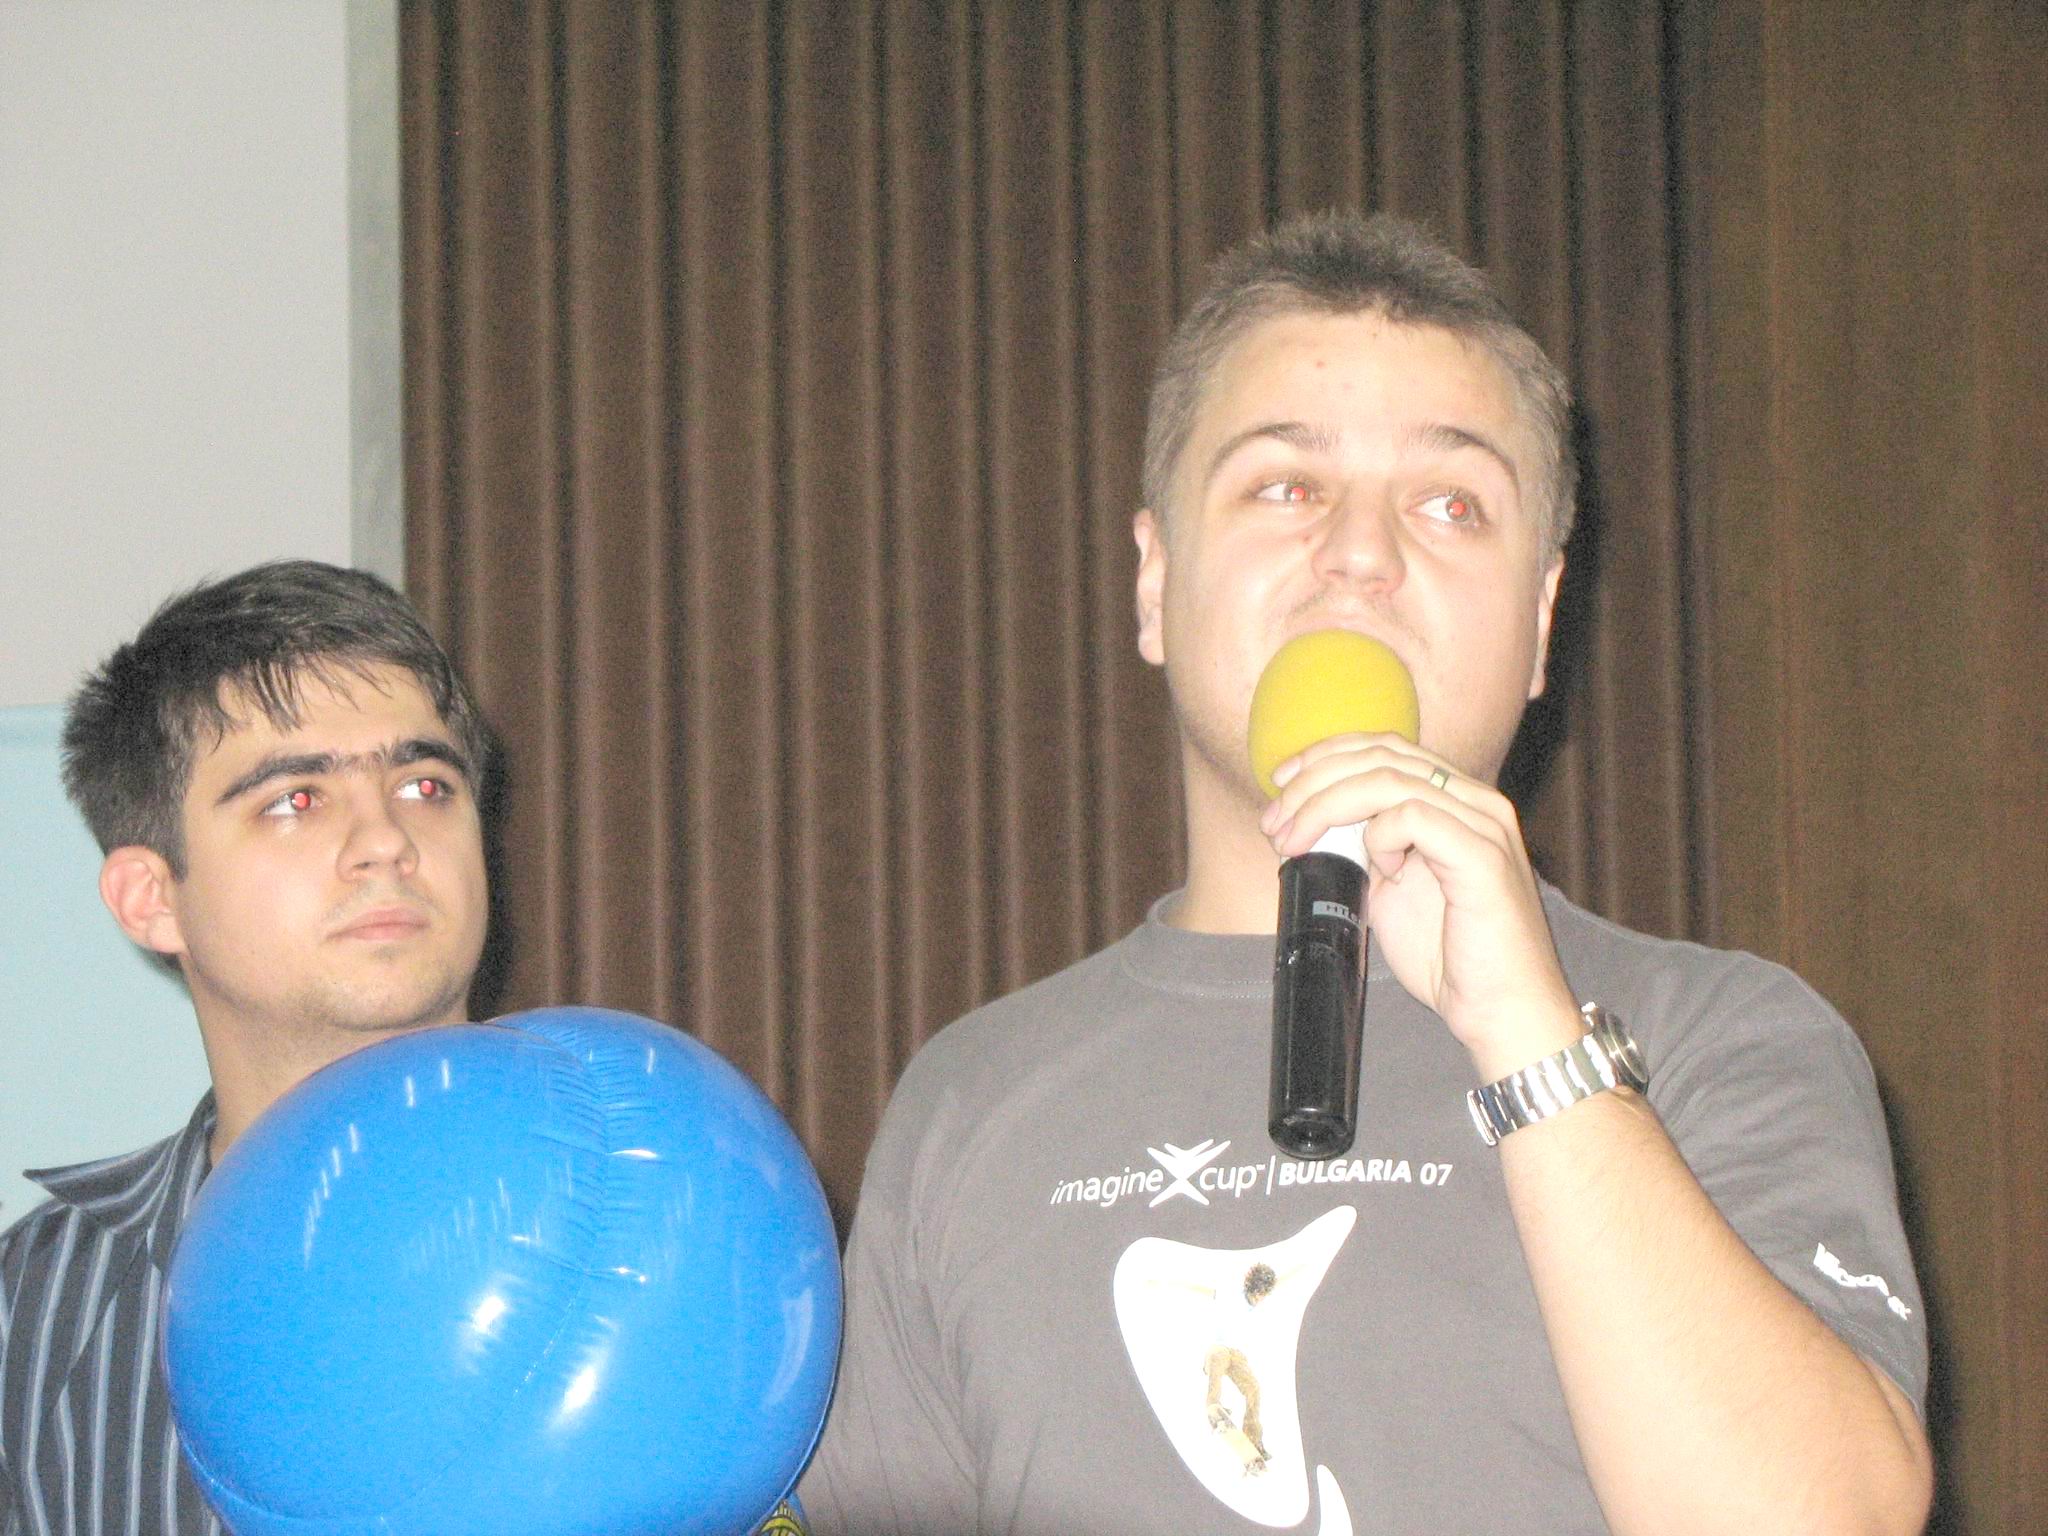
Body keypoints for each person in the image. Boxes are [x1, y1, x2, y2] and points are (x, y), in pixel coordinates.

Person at [799, 213, 1933, 1534]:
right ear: (1154, 582)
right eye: (1285, 486)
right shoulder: (968, 1098)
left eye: (1450, 504)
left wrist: (1532, 1046)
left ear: (1541, 623)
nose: (1360, 553)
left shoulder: (1725, 1037)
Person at [0, 562, 814, 1536]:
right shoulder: (34, 1309)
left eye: (426, 785)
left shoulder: (723, 1220)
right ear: (150, 898)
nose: (386, 838)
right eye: (296, 800)